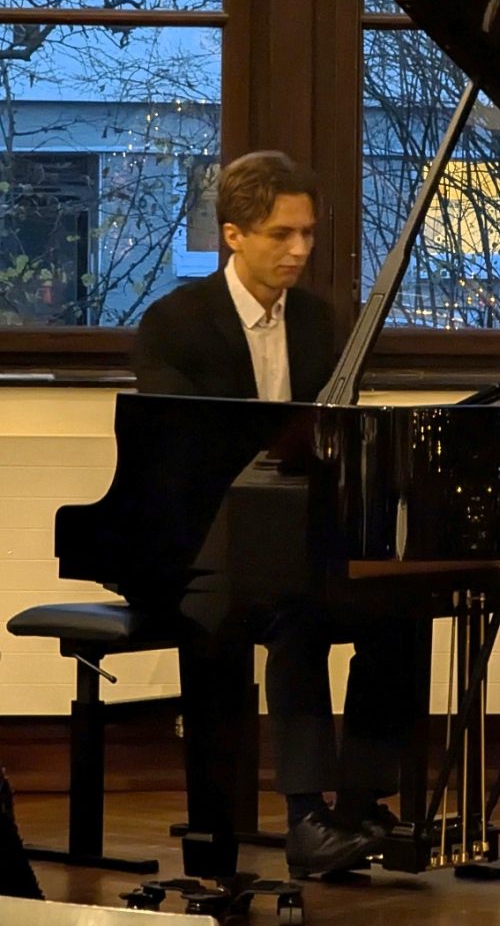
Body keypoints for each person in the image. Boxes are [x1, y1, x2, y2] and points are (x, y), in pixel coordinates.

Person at [133, 150, 404, 878]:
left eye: (308, 233)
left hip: (298, 541)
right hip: (204, 547)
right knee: (297, 611)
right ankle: (305, 818)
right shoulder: (175, 323)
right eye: (282, 234)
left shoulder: (318, 321)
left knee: (400, 608)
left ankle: (362, 804)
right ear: (234, 235)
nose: (300, 249)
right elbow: (175, 456)